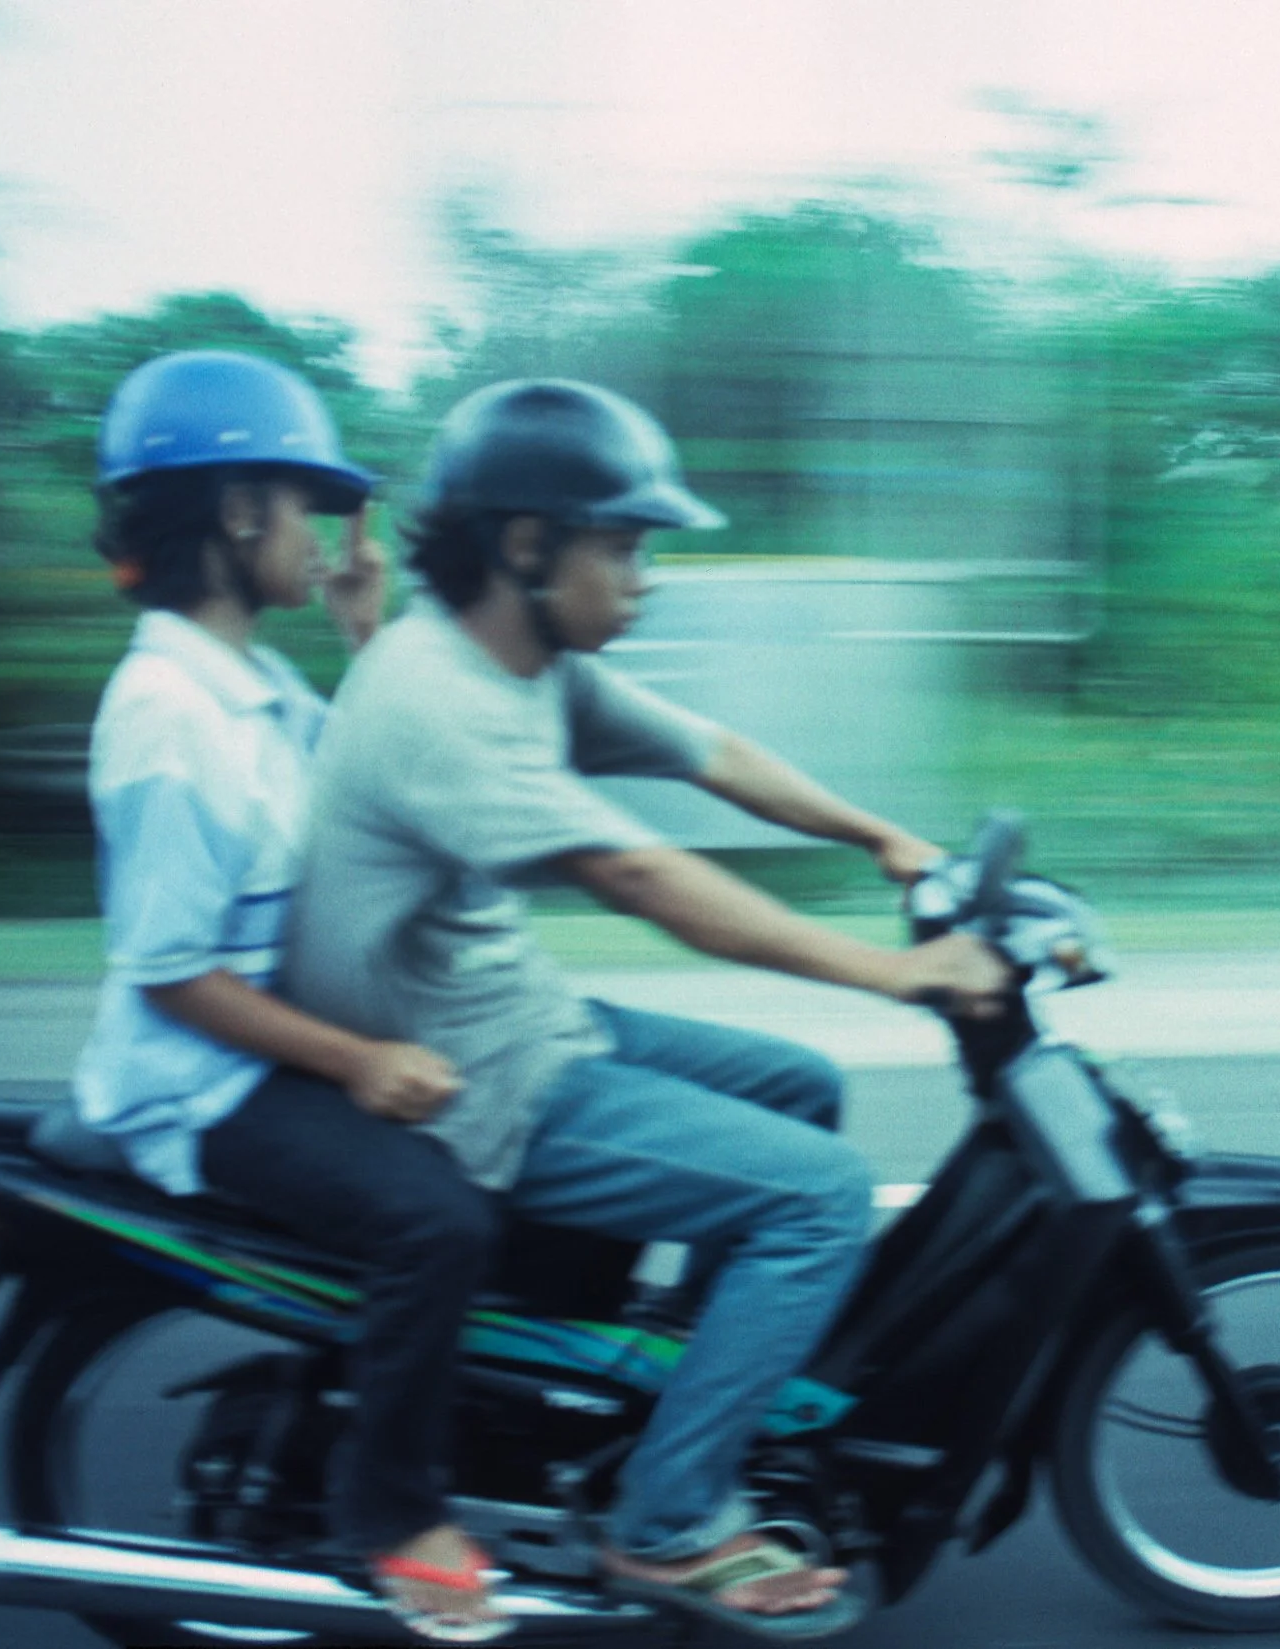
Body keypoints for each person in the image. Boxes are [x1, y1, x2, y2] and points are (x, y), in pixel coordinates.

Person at [284, 378, 1012, 1639]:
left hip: (512, 1011)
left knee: (798, 1088)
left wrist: (885, 835)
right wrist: (899, 972)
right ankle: (666, 1520)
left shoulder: (524, 660)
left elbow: (713, 754)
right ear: (525, 545)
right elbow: (642, 877)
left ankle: (682, 1394)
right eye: (623, 545)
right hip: (466, 1076)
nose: (646, 576)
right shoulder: (445, 701)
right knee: (819, 1195)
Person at [71, 351, 508, 1643]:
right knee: (436, 1222)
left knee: (518, 1136)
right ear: (232, 513)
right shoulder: (168, 718)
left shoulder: (253, 688)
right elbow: (172, 972)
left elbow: (379, 783)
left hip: (270, 1045)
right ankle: (391, 1517)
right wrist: (358, 1063)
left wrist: (366, 624)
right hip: (200, 1083)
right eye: (300, 502)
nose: (324, 532)